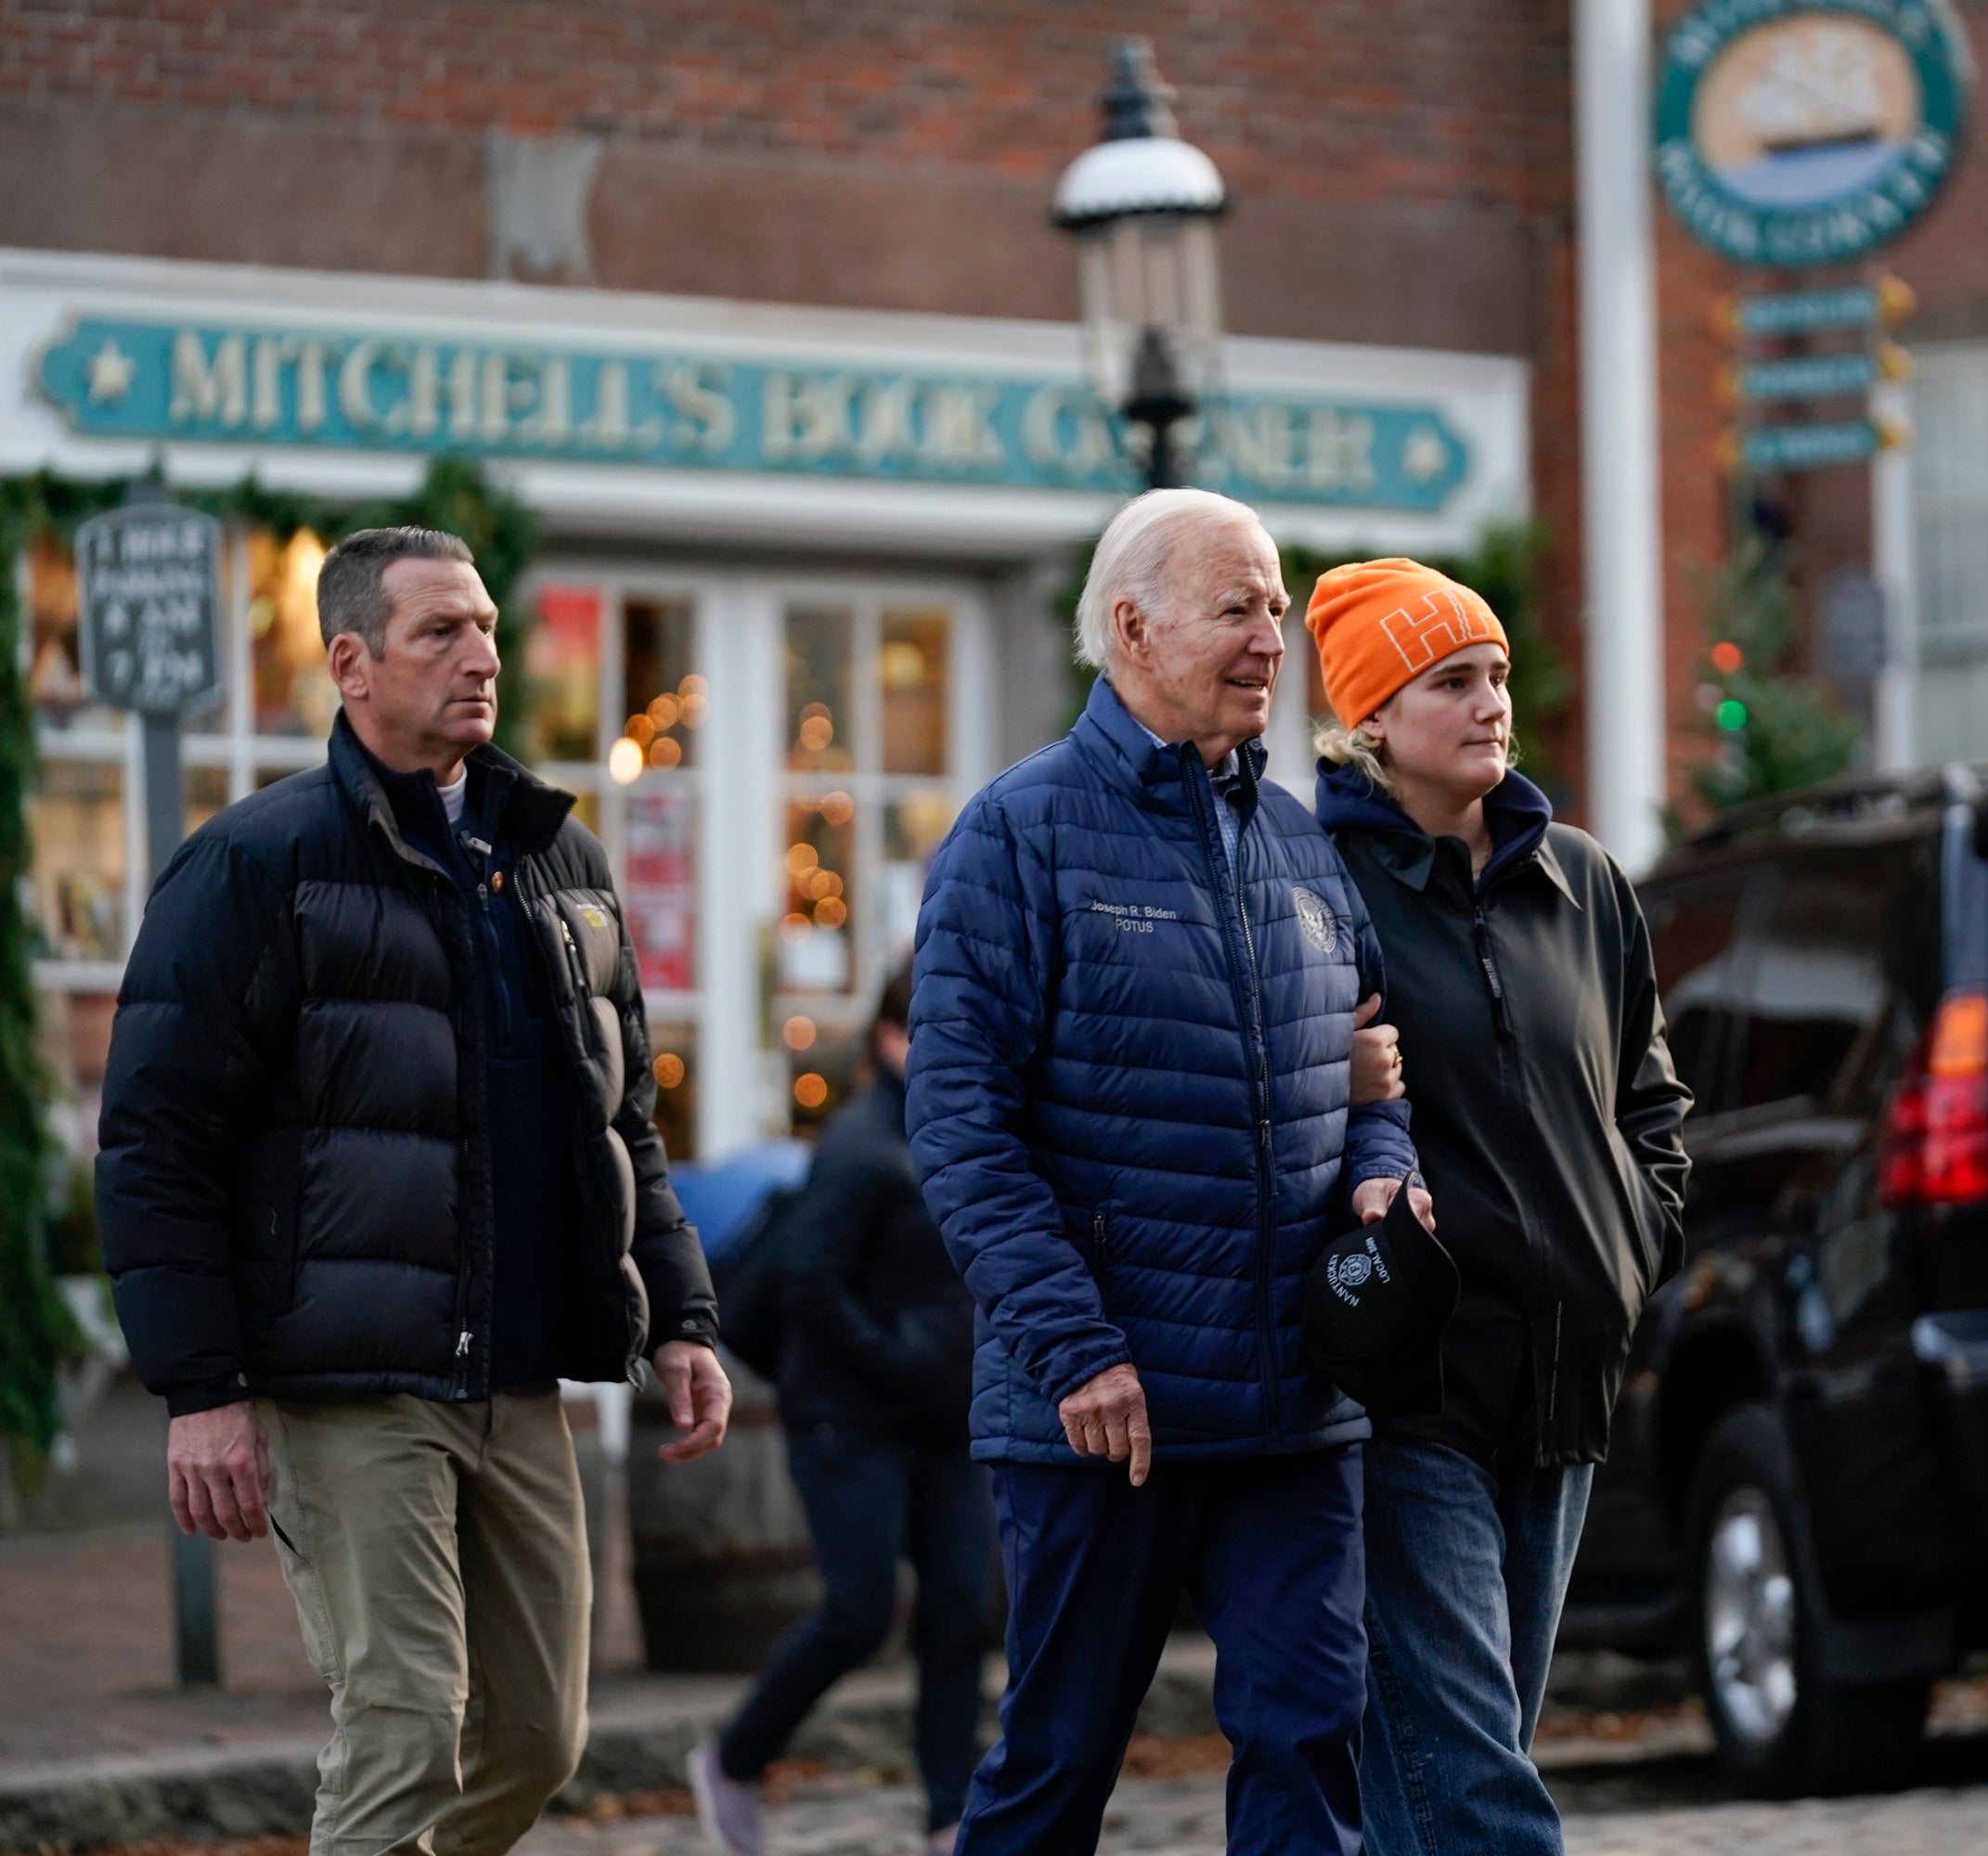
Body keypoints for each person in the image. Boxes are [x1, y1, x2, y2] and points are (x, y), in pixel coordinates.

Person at [97, 525, 733, 1856]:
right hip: (347, 1381)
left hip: (517, 1376)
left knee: (535, 1736)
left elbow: (623, 1120)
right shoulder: (255, 865)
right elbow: (157, 1141)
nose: (482, 655)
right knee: (403, 1718)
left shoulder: (559, 861)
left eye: (489, 626)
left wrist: (680, 1313)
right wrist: (202, 1388)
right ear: (351, 661)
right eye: (440, 631)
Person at [907, 487, 1426, 1855]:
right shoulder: (1016, 835)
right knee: (1057, 1772)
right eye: (1240, 607)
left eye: (1279, 608)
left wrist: (1380, 1171)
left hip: (1296, 1406)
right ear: (1131, 627)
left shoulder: (1302, 838)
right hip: (1102, 1412)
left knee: (1312, 1745)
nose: (1274, 638)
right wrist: (1077, 1353)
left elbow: (1378, 1070)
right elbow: (961, 1127)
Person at [1306, 558, 1692, 1856]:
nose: (1491, 706)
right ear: (1370, 719)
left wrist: (1629, 1248)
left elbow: (1651, 1108)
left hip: (1563, 1380)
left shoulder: (1583, 885)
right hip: (1407, 1396)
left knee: (1447, 1771)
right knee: (1476, 1790)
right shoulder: (1314, 885)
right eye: (1452, 682)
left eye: (1498, 677)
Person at [689, 968, 988, 1856]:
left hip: (947, 1426)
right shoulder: (859, 1145)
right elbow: (808, 1284)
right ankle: (735, 1759)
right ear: (893, 1040)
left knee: (963, 1614)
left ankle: (948, 1818)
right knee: (860, 1612)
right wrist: (897, 1358)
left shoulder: (963, 1136)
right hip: (849, 1420)